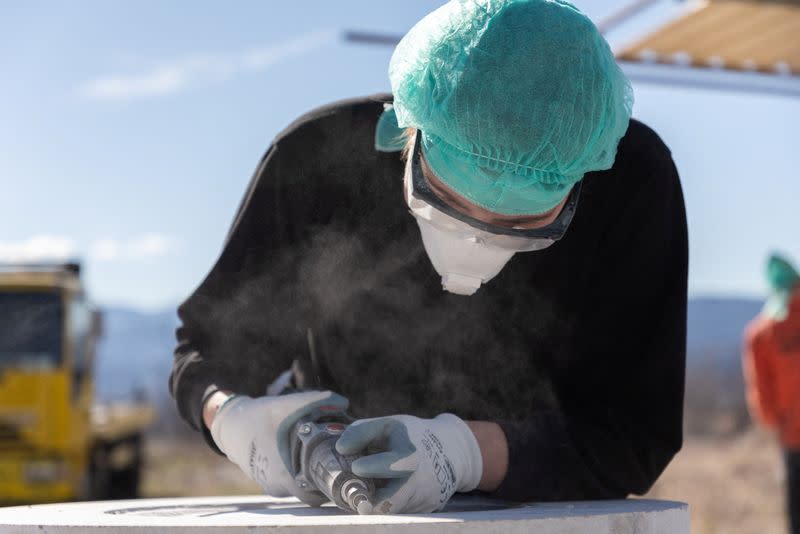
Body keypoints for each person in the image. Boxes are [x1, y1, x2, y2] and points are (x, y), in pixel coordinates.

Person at [169, 0, 688, 514]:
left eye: (521, 225)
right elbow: (209, 355)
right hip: (349, 507)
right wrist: (234, 418)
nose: (475, 246)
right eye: (448, 203)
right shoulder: (316, 162)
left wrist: (466, 454)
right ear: (409, 131)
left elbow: (635, 433)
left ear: (581, 182)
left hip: (545, 513)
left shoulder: (632, 183)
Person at [743, 253, 800, 534]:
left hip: (793, 436)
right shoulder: (762, 335)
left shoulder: (761, 333)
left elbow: (763, 395)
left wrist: (774, 421)